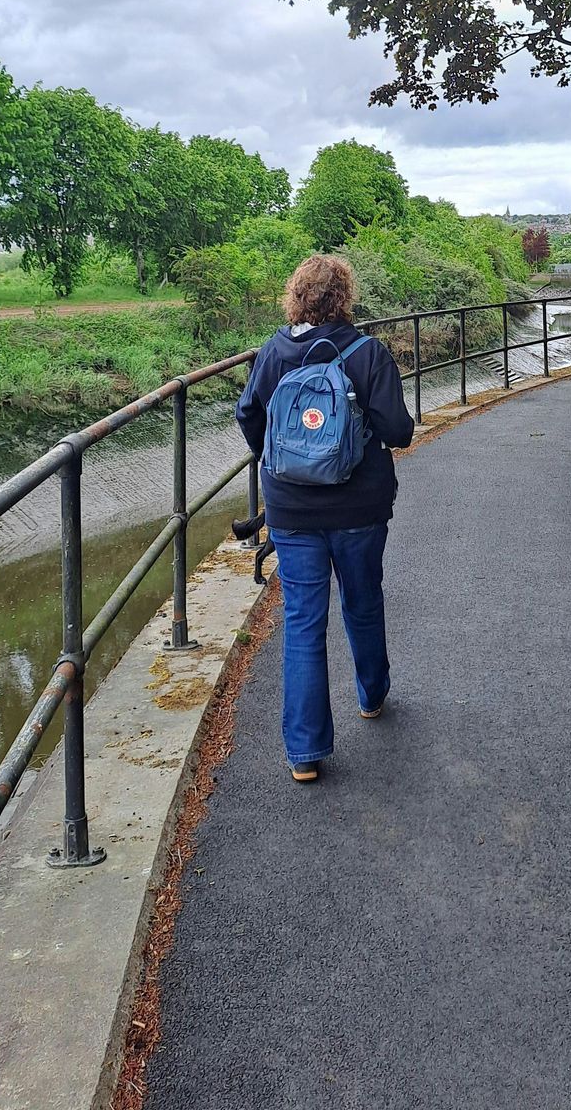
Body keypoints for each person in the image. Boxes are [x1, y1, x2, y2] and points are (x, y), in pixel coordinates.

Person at [235, 254, 414, 782]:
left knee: (303, 622)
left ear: (296, 297)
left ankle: (305, 753)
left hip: (292, 511)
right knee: (362, 601)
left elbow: (250, 416)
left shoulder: (274, 352)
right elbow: (399, 430)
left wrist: (283, 463)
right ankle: (372, 694)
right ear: (345, 298)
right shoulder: (367, 353)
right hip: (360, 508)